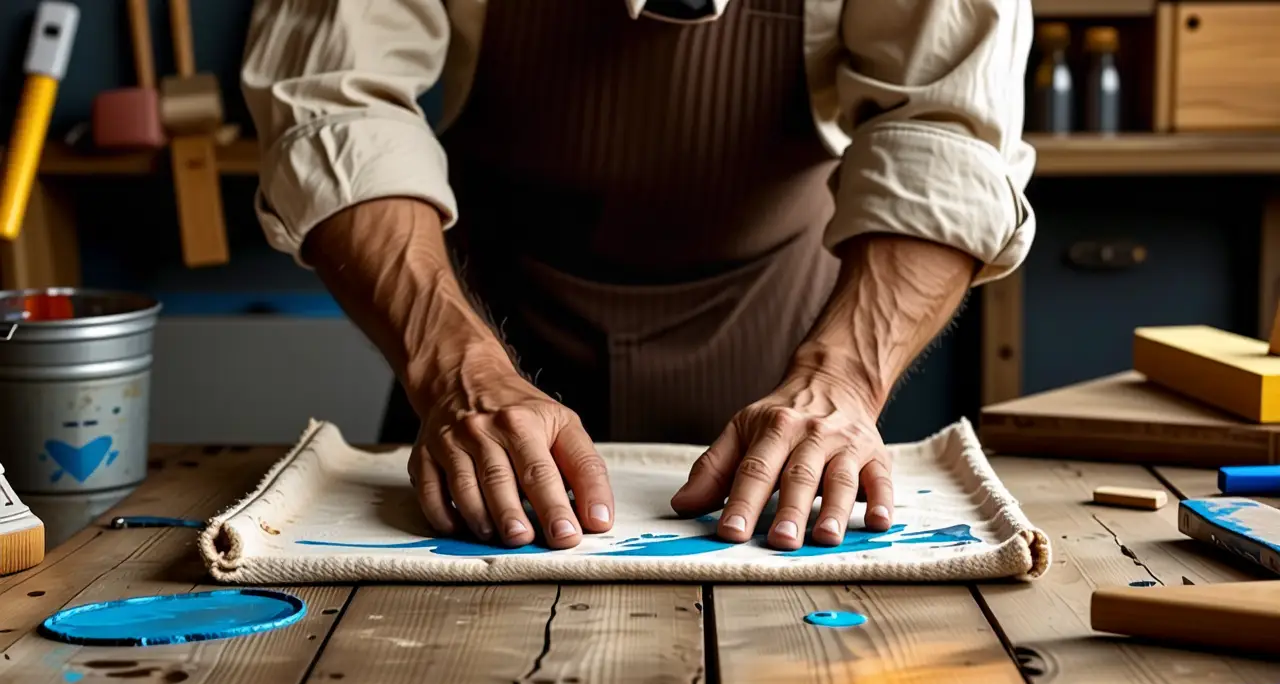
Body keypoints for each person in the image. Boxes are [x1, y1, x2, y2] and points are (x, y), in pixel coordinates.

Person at [240, 0, 1036, 552]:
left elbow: (946, 135)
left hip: (785, 337)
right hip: (481, 346)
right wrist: (458, 374)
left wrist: (843, 382)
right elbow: (334, 107)